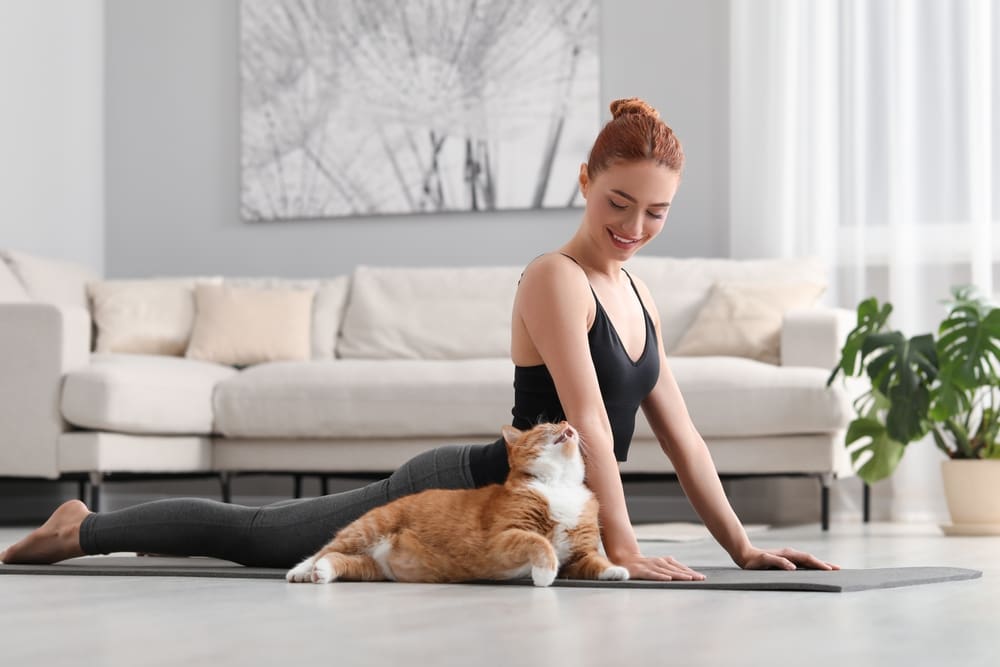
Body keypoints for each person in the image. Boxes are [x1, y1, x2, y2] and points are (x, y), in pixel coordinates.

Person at [1, 98, 838, 579]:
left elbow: (683, 436)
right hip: (458, 487)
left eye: (655, 212)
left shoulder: (639, 291)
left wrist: (745, 546)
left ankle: (135, 528)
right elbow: (584, 418)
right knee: (263, 537)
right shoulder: (556, 276)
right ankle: (84, 524)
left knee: (262, 533)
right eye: (617, 203)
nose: (633, 227)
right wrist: (621, 553)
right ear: (585, 182)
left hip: (536, 510)